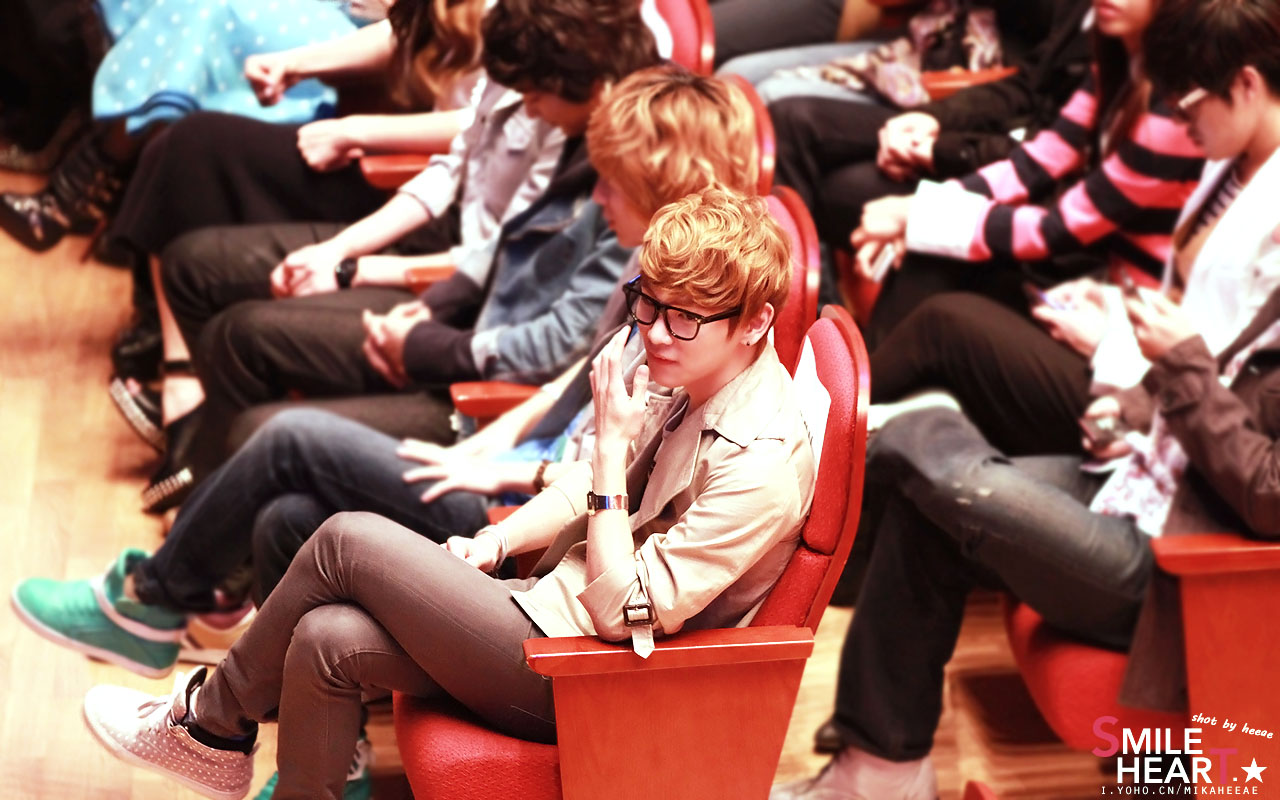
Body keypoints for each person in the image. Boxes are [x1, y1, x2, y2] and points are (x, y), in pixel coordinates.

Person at [54, 186, 814, 800]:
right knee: (324, 640)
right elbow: (585, 485)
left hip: (595, 680)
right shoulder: (691, 369)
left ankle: (209, 727)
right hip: (550, 609)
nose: (656, 333)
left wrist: (611, 450)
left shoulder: (764, 462)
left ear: (756, 324)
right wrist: (496, 540)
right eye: (648, 304)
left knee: (344, 539)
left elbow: (625, 613)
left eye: (685, 319)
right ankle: (221, 744)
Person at [12, 63, 763, 675]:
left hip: (530, 522)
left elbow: (604, 474)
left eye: (613, 183)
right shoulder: (652, 283)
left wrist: (489, 466)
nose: (597, 193)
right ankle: (294, 733)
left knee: (286, 437)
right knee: (285, 513)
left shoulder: (682, 321)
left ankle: (155, 601)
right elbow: (566, 389)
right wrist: (477, 448)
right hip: (508, 471)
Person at [773, 0, 1280, 793]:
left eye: (1190, 105)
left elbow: (1266, 488)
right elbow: (1209, 358)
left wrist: (1170, 369)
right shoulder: (1232, 174)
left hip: (1191, 561)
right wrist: (1130, 398)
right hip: (1147, 474)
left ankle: (787, 502)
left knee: (933, 464)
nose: (1182, 124)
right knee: (924, 468)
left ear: (1246, 86)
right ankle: (879, 770)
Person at [133, 0, 661, 513]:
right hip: (464, 325)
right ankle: (202, 501)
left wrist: (421, 344)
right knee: (228, 317)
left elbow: (562, 356)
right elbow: (502, 243)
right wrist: (424, 305)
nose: (529, 107)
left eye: (536, 96)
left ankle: (202, 522)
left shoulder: (626, 177)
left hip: (479, 386)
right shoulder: (576, 120)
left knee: (266, 434)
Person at [842, 0, 1205, 456]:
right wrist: (922, 209)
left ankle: (830, 425)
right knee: (929, 258)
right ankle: (851, 419)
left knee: (942, 321)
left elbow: (1059, 227)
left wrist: (917, 217)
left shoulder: (1173, 112)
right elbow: (1041, 157)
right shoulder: (1120, 62)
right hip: (1106, 300)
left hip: (1129, 342)